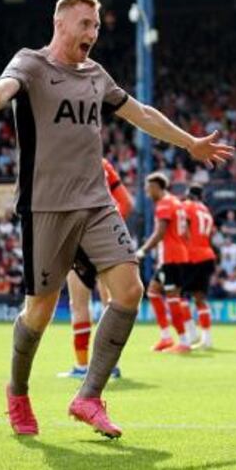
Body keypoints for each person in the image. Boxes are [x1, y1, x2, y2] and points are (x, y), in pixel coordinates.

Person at [0, 0, 233, 438]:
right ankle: (17, 390)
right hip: (45, 207)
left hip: (95, 202)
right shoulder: (31, 63)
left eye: (96, 26)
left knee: (129, 290)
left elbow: (140, 112)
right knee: (39, 313)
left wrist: (191, 142)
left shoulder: (96, 75)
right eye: (85, 24)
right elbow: (5, 86)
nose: (92, 32)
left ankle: (88, 397)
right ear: (61, 24)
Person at [60, 158, 133, 378]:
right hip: (105, 239)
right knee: (111, 304)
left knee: (79, 305)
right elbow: (126, 203)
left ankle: (82, 367)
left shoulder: (59, 163)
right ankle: (110, 366)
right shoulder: (103, 164)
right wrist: (109, 229)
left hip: (77, 240)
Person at [137, 173, 193, 353]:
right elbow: (186, 231)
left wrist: (142, 250)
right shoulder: (176, 202)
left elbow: (160, 232)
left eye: (148, 187)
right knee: (153, 291)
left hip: (172, 257)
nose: (146, 191)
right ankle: (166, 337)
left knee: (172, 298)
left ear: (156, 187)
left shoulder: (165, 204)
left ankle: (184, 341)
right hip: (174, 256)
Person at [181, 185, 217, 350]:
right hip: (207, 254)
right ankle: (207, 338)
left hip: (192, 255)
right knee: (199, 297)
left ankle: (191, 332)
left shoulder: (187, 206)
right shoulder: (206, 211)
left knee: (178, 294)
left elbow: (185, 229)